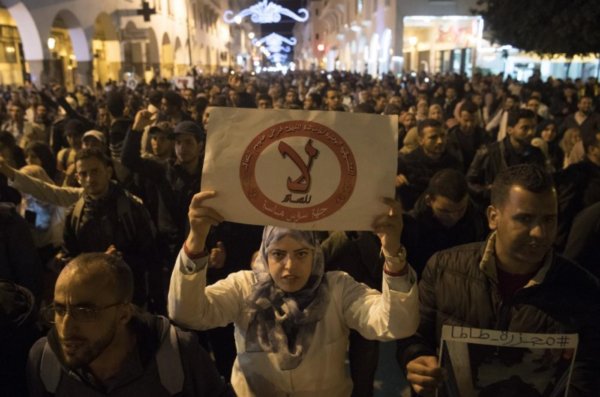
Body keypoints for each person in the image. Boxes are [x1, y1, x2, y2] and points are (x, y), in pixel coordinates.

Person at [168, 191, 419, 396]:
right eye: (278, 254)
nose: (290, 267)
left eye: (301, 254)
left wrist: (393, 253)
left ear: (315, 254)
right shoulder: (245, 287)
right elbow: (187, 314)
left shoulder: (337, 289)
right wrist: (196, 239)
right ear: (265, 255)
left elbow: (396, 324)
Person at [396, 164, 600, 397]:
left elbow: (587, 371)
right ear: (493, 217)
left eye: (548, 220)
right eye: (525, 219)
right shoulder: (443, 268)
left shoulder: (583, 289)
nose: (540, 233)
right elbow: (414, 334)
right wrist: (415, 358)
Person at [27, 253, 233, 396]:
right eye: (60, 310)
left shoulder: (177, 355)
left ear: (124, 314)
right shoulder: (45, 361)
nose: (65, 327)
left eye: (85, 312)